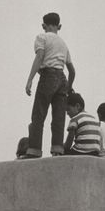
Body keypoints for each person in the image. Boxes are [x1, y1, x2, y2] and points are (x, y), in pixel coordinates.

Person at [24, 12, 76, 158]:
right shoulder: (63, 44)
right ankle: (57, 150)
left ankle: (34, 150)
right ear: (59, 26)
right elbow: (72, 71)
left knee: (38, 115)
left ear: (43, 26)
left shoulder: (42, 37)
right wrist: (68, 87)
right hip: (62, 77)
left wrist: (30, 79)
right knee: (58, 117)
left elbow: (39, 57)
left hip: (47, 76)